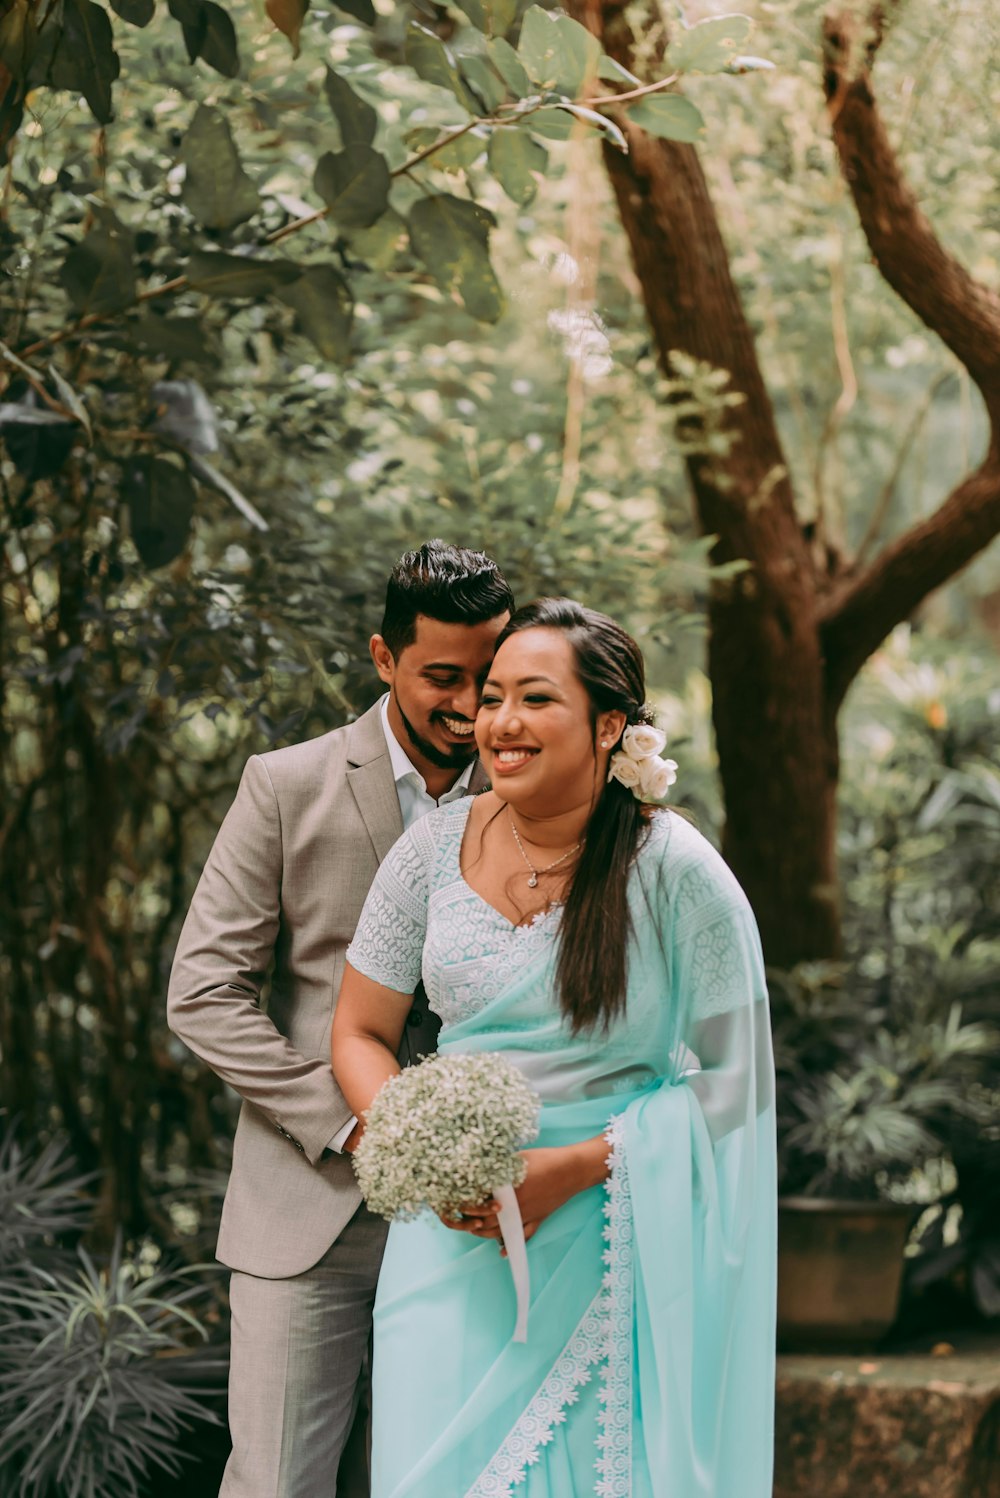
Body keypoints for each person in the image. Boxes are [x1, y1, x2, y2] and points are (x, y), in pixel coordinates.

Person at [332, 597, 777, 1498]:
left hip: (609, 1237)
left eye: (535, 699)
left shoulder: (677, 872)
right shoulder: (426, 855)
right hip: (448, 1245)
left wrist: (574, 1168)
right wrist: (426, 1146)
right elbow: (360, 1032)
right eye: (493, 697)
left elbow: (739, 1084)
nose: (501, 722)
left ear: (610, 725)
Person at [167, 541, 514, 1498]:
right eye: (442, 676)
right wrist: (357, 1123)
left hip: (479, 1213)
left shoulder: (536, 796)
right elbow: (202, 992)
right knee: (279, 1483)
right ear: (382, 658)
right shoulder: (286, 785)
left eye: (489, 676)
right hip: (306, 1204)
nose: (468, 703)